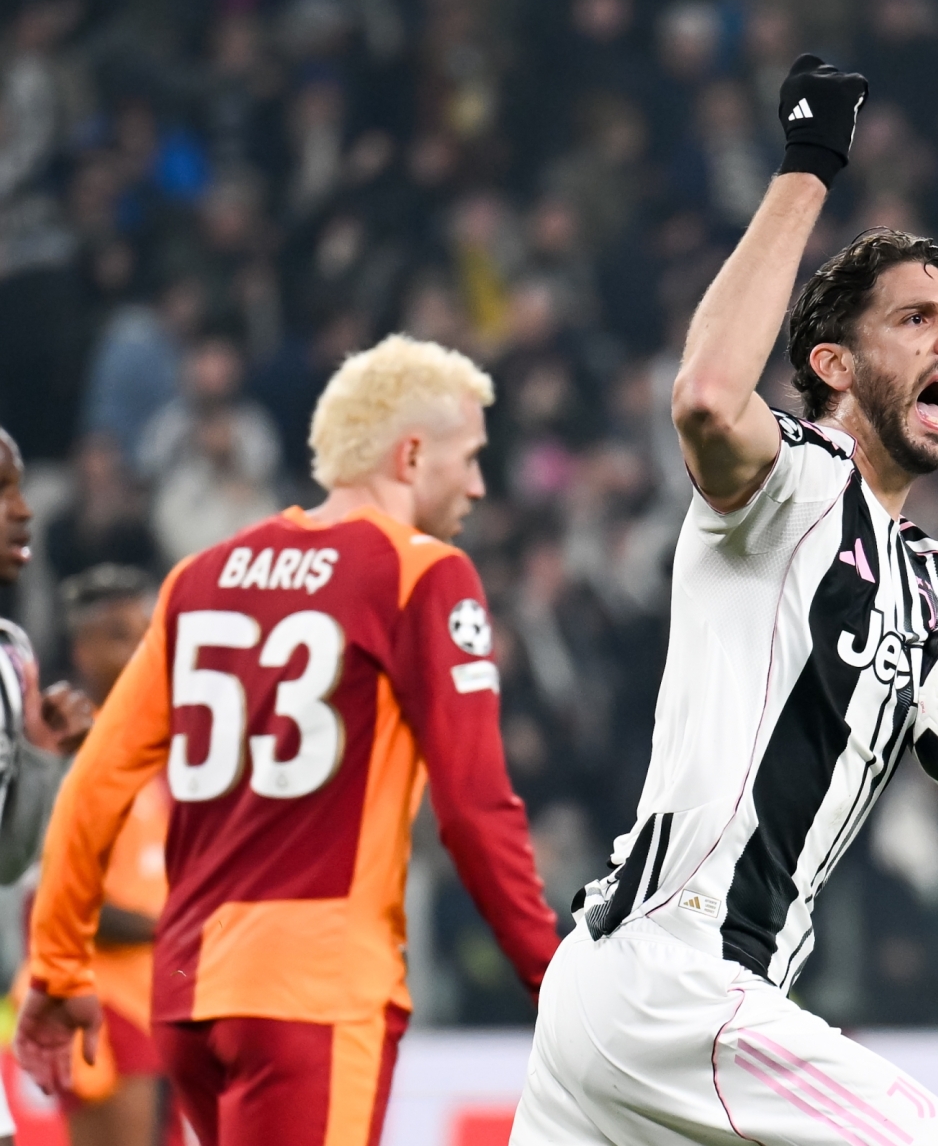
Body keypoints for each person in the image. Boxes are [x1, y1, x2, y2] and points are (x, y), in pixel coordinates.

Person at [511, 57, 938, 1146]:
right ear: (833, 364)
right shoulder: (792, 479)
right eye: (916, 319)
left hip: (653, 1006)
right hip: (674, 975)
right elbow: (708, 394)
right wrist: (809, 166)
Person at [18, 336, 562, 1146]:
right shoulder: (423, 574)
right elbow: (475, 808)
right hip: (312, 990)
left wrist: (57, 969)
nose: (480, 484)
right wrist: (552, 977)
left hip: (189, 997)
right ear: (412, 454)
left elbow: (94, 783)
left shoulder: (201, 576)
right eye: (471, 457)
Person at [0, 426, 100, 1146]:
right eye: (1, 490)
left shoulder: (13, 657)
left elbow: (6, 863)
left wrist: (38, 755)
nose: (24, 509)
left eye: (20, 487)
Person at [50, 565, 168, 1146]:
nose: (143, 649)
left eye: (148, 632)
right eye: (122, 635)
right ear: (82, 648)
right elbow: (65, 903)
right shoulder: (70, 753)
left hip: (165, 999)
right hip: (106, 1001)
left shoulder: (162, 744)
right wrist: (177, 930)